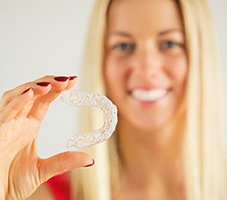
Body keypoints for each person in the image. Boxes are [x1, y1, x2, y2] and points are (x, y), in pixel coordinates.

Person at [1, 0, 227, 199]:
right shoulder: (37, 194)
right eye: (123, 45)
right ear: (100, 61)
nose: (146, 68)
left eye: (169, 43)